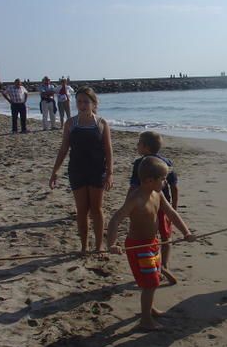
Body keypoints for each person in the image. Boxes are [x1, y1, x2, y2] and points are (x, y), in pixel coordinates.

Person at [108, 156, 195, 331]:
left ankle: (148, 308)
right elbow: (115, 220)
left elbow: (171, 213)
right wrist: (112, 243)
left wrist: (186, 232)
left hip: (152, 243)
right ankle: (145, 320)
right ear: (149, 180)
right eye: (162, 179)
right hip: (138, 246)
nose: (165, 182)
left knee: (153, 280)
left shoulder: (158, 194)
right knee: (150, 283)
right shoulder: (136, 198)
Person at [49, 86, 114, 255]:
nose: (82, 105)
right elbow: (64, 149)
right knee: (82, 209)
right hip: (77, 171)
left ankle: (99, 245)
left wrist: (110, 173)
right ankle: (84, 246)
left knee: (97, 209)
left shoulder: (101, 123)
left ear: (93, 103)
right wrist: (55, 170)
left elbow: (108, 150)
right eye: (79, 101)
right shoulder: (71, 123)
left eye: (86, 101)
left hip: (97, 170)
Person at [128, 131, 179, 285]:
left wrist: (129, 205)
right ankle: (163, 265)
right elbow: (175, 187)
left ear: (145, 147)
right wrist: (174, 207)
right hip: (164, 205)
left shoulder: (141, 164)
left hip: (146, 205)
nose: (137, 146)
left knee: (147, 235)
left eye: (139, 143)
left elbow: (133, 186)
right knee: (165, 237)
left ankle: (158, 266)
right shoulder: (166, 163)